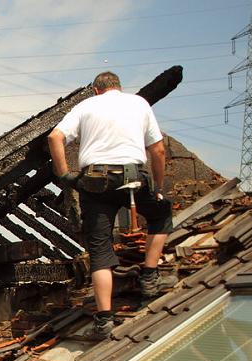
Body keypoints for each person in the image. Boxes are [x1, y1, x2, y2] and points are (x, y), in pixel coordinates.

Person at [48, 71, 174, 339]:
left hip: (96, 182)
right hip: (133, 176)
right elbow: (158, 150)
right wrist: (158, 188)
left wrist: (65, 176)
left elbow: (54, 138)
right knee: (159, 213)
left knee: (100, 248)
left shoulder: (85, 106)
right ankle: (150, 277)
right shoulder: (139, 103)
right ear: (119, 87)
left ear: (95, 90)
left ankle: (104, 320)